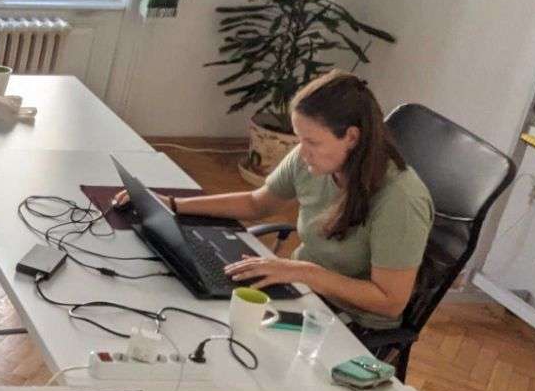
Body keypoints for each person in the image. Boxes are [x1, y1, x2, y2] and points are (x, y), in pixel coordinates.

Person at [120, 71, 433, 329]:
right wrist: (173, 205)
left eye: (312, 141)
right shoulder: (313, 159)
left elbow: (390, 301)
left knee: (218, 329)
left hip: (347, 323)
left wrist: (304, 272)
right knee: (187, 304)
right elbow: (258, 204)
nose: (301, 151)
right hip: (300, 290)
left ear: (351, 137)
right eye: (299, 139)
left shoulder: (401, 200)